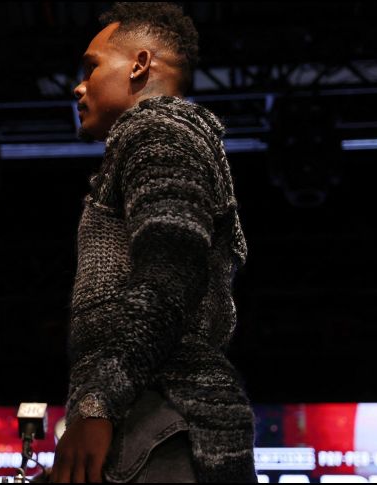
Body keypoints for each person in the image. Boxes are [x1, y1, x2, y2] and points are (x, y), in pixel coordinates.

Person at [51, 3, 257, 483]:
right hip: (160, 418)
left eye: (91, 67)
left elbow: (170, 271)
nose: (79, 86)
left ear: (139, 65)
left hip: (160, 420)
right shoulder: (161, 138)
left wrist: (99, 402)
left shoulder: (158, 132)